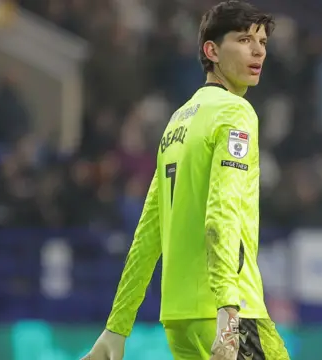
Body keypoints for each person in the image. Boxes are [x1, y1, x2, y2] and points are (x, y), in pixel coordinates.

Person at [83, 1, 290, 359]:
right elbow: (221, 213)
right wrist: (228, 312)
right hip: (227, 313)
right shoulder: (234, 112)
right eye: (244, 40)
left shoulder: (177, 123)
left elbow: (148, 233)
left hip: (180, 318)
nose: (258, 51)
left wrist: (117, 326)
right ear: (211, 50)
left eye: (263, 42)